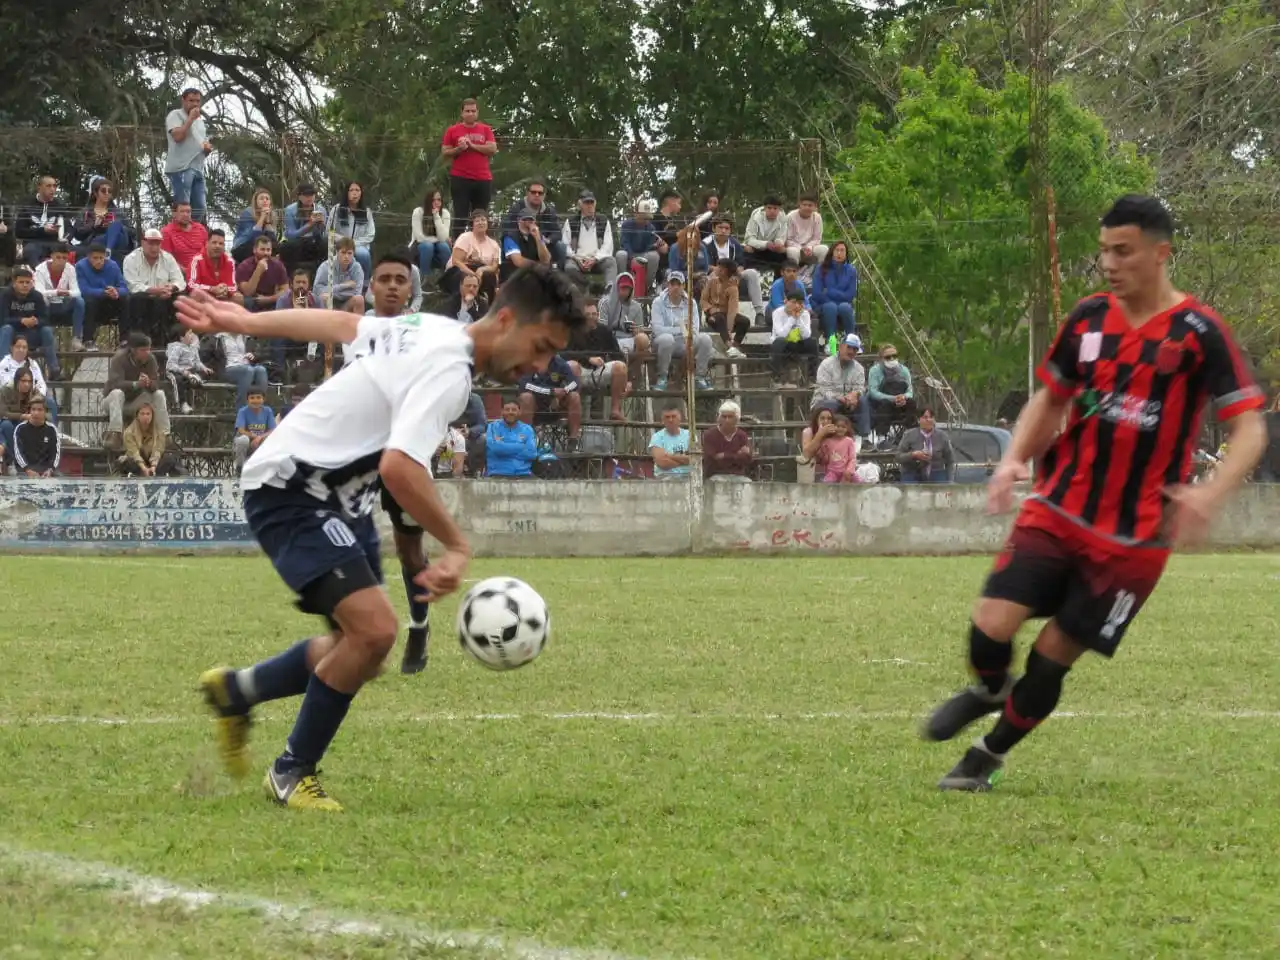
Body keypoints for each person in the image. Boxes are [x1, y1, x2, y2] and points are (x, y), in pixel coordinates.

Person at [181, 264, 585, 812]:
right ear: (507, 319)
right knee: (375, 632)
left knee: (361, 651)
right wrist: (457, 545)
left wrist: (249, 321)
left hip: (339, 495)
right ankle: (291, 772)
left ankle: (237, 692)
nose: (540, 365)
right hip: (294, 484)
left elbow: (341, 327)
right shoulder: (450, 371)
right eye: (539, 347)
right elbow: (400, 468)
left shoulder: (431, 327)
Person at [923, 194, 1267, 792]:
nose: (1109, 262)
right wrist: (1010, 460)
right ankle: (988, 687)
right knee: (991, 624)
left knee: (1054, 656)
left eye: (1123, 251)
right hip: (1059, 507)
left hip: (1133, 540)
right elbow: (1050, 399)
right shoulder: (1087, 319)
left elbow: (1250, 426)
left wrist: (1210, 494)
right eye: (1104, 250)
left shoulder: (1200, 333)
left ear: (1160, 255)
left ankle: (987, 756)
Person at [441, 98, 497, 238]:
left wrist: (472, 146)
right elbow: (445, 152)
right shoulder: (452, 130)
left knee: (481, 216)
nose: (470, 113)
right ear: (462, 113)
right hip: (460, 178)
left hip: (482, 178)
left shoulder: (485, 129)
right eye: (467, 111)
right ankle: (457, 247)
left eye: (473, 111)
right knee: (460, 215)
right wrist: (459, 149)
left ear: (477, 112)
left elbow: (492, 148)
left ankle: (481, 246)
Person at [896, 407, 954, 482]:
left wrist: (950, 480)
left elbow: (950, 460)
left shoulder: (942, 436)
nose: (929, 420)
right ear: (918, 420)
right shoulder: (909, 435)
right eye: (925, 417)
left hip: (936, 472)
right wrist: (913, 455)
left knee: (942, 488)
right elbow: (898, 457)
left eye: (931, 417)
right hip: (912, 473)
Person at [12, 395, 59, 477]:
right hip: (24, 470)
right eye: (33, 409)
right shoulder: (20, 428)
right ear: (29, 411)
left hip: (46, 470)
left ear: (45, 412)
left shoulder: (52, 429)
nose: (36, 413)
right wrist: (27, 470)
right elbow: (18, 453)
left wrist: (50, 470)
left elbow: (55, 453)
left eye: (40, 410)